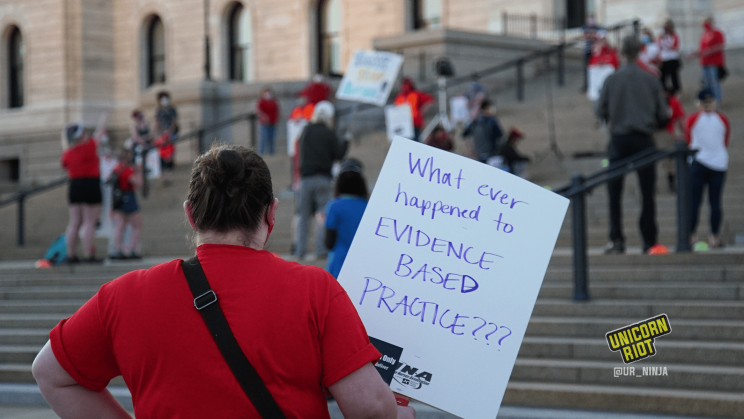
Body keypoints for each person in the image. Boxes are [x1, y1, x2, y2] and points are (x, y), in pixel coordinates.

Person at [32, 144, 414, 419]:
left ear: (190, 215)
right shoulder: (316, 290)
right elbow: (369, 410)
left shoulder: (124, 294)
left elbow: (49, 373)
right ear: (272, 213)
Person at [595, 36, 668, 254]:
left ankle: (616, 239)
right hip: (644, 139)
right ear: (640, 50)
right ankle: (648, 240)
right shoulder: (651, 79)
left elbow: (599, 111)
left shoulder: (611, 79)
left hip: (618, 138)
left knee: (614, 192)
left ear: (621, 51)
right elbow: (663, 114)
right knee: (647, 192)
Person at [296, 101, 349, 261]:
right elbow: (339, 155)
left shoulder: (305, 130)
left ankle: (301, 251)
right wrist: (346, 141)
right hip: (323, 179)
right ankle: (320, 250)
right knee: (322, 216)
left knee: (303, 216)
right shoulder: (329, 133)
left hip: (305, 178)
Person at [60, 113, 108, 263]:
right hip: (90, 183)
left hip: (74, 185)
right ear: (81, 134)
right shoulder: (89, 146)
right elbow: (100, 131)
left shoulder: (67, 153)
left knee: (74, 222)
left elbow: (65, 166)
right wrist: (103, 118)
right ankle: (88, 254)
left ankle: (70, 254)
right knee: (89, 221)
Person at [685, 87, 730, 248]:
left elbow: (688, 138)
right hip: (718, 163)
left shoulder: (693, 118)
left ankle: (690, 235)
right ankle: (714, 237)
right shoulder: (722, 119)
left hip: (699, 161)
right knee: (715, 201)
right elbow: (725, 140)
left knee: (694, 202)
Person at [324, 159, 368, 278]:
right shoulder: (368, 207)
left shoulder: (333, 206)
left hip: (338, 266)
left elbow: (329, 243)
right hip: (363, 265)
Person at [109, 149, 143, 260]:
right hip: (129, 196)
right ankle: (130, 249)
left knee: (120, 226)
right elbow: (138, 184)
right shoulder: (127, 170)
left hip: (118, 199)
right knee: (137, 225)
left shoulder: (116, 169)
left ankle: (117, 249)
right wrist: (139, 172)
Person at [657, 90, 686, 192]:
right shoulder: (673, 101)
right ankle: (671, 184)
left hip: (651, 133)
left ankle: (651, 185)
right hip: (668, 133)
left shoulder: (649, 98)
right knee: (669, 161)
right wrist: (685, 135)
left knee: (651, 160)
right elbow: (681, 119)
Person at [691, 17, 726, 103]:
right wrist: (694, 54)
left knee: (714, 82)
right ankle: (709, 100)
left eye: (706, 22)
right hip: (704, 62)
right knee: (706, 83)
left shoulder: (717, 33)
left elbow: (721, 45)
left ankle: (717, 101)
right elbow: (701, 49)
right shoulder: (704, 35)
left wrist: (709, 51)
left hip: (714, 62)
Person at [462, 99, 503, 163]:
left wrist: (470, 149)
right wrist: (470, 149)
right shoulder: (492, 122)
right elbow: (500, 136)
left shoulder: (475, 121)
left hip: (480, 155)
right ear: (486, 108)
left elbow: (465, 135)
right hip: (491, 154)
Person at [154, 91, 178, 184]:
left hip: (170, 132)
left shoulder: (172, 109)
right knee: (163, 152)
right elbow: (157, 122)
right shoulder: (158, 110)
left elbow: (174, 121)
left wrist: (170, 131)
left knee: (171, 150)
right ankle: (164, 173)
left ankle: (170, 166)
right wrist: (160, 133)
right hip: (162, 134)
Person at [658, 19, 682, 94]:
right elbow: (658, 45)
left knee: (674, 77)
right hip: (664, 59)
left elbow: (675, 47)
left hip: (672, 59)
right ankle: (664, 91)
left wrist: (667, 46)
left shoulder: (674, 35)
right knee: (663, 77)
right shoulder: (662, 36)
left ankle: (676, 92)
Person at [581, 14, 602, 92]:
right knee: (587, 69)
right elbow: (584, 37)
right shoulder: (585, 27)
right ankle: (587, 85)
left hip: (595, 51)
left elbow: (599, 36)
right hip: (587, 50)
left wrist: (591, 35)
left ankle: (595, 85)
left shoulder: (597, 27)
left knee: (595, 69)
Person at [256, 87, 280, 155]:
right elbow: (259, 112)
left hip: (272, 123)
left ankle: (271, 153)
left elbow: (277, 112)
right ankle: (261, 153)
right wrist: (264, 118)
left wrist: (276, 121)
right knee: (263, 139)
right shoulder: (261, 102)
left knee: (271, 139)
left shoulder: (274, 102)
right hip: (264, 124)